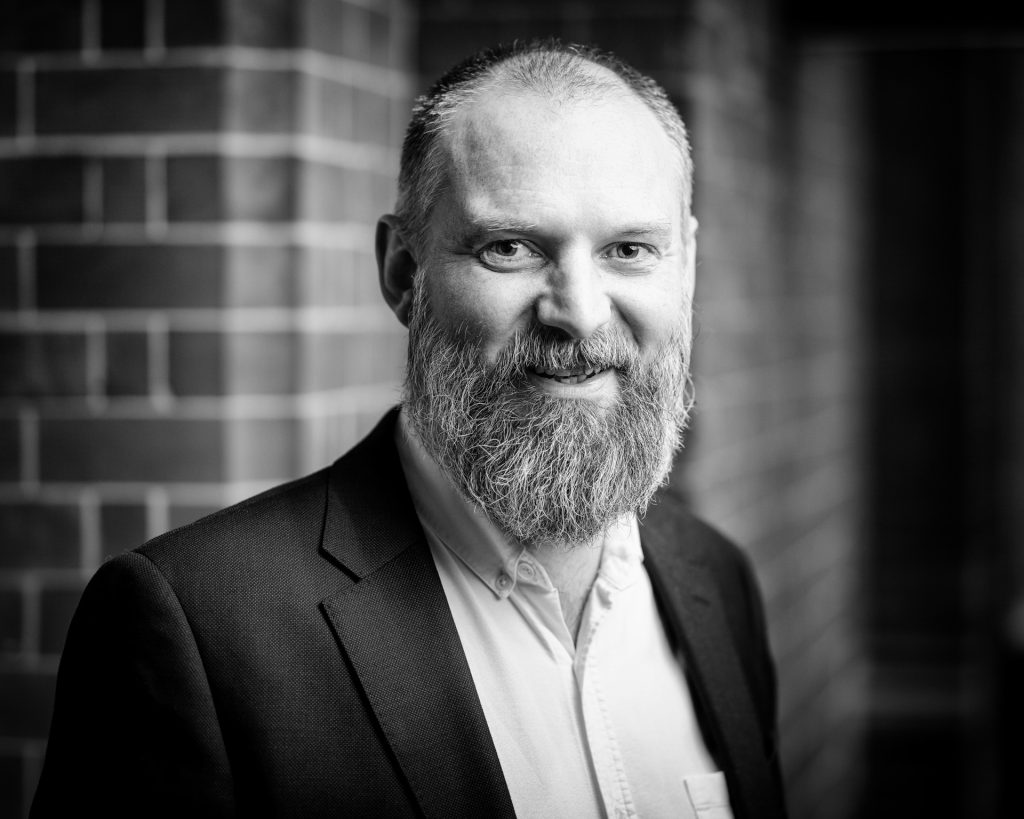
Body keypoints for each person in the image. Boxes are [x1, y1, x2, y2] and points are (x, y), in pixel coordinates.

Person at [32, 40, 786, 819]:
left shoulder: (719, 582)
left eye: (630, 249)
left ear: (687, 265)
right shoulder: (193, 628)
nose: (581, 312)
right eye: (511, 247)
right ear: (402, 272)